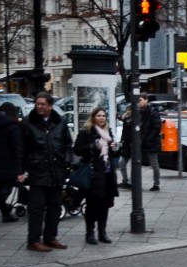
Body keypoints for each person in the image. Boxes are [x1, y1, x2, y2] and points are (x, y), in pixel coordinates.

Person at [19, 91, 73, 252]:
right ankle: (34, 240)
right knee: (36, 207)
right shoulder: (28, 123)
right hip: (38, 170)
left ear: (50, 106)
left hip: (56, 170)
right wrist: (21, 170)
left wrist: (67, 162)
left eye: (43, 104)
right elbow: (21, 148)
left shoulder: (60, 122)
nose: (40, 107)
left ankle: (50, 237)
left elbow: (67, 144)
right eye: (38, 104)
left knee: (55, 206)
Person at [73, 107, 120, 244]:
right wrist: (92, 145)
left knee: (105, 204)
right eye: (98, 115)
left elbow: (114, 155)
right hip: (93, 174)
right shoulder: (86, 132)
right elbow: (77, 150)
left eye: (104, 116)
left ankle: (102, 232)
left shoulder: (108, 132)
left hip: (107, 174)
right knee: (93, 204)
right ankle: (90, 233)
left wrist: (115, 149)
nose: (101, 118)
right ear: (93, 117)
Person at [135, 95, 163, 191]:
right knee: (137, 162)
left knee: (154, 163)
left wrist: (149, 139)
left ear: (146, 100)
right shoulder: (138, 111)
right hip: (140, 141)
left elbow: (156, 127)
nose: (139, 102)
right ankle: (136, 182)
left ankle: (156, 184)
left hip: (151, 141)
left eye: (140, 100)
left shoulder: (152, 111)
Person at [118, 102, 134, 187]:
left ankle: (131, 182)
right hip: (126, 145)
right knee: (121, 163)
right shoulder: (125, 120)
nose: (128, 111)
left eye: (130, 110)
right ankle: (125, 180)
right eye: (127, 109)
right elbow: (124, 132)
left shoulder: (136, 120)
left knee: (133, 164)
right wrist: (121, 140)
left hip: (133, 145)